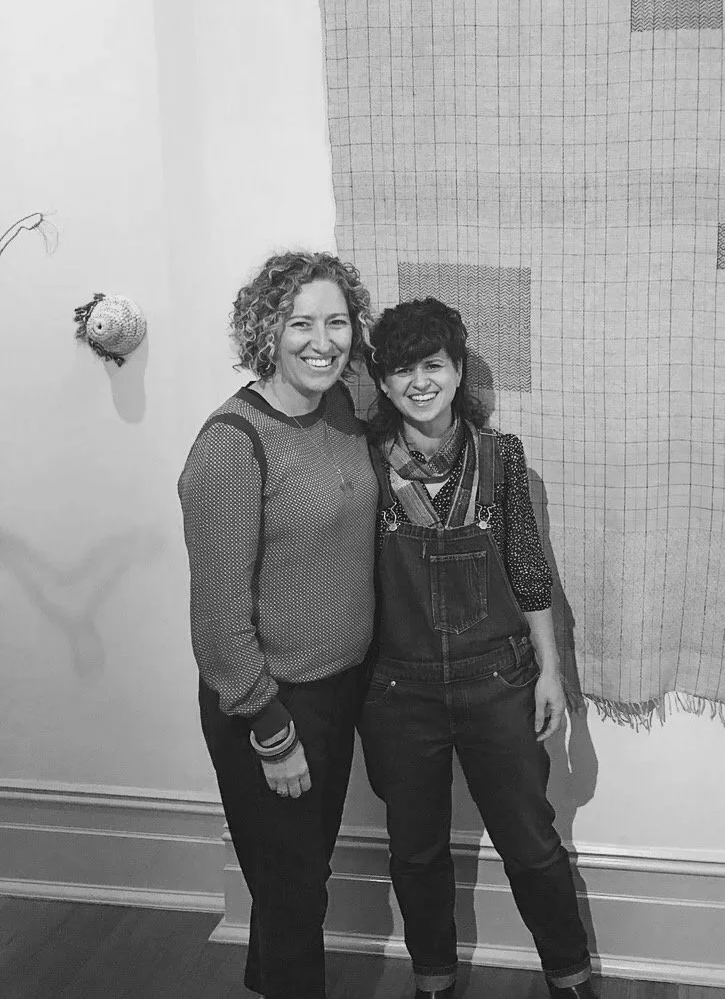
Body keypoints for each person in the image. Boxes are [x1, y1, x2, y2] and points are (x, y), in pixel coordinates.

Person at [359, 297, 596, 999]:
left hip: (500, 680)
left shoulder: (502, 456)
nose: (418, 382)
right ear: (382, 381)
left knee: (530, 840)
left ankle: (570, 974)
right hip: (396, 693)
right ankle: (432, 976)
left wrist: (551, 669)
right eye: (401, 370)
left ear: (458, 371)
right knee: (417, 848)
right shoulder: (363, 464)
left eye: (433, 365)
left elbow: (528, 568)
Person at [178, 250, 379, 999]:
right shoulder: (233, 446)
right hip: (270, 703)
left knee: (296, 877)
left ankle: (269, 982)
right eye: (300, 323)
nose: (321, 341)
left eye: (336, 321)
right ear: (266, 332)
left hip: (336, 691)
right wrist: (272, 732)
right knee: (297, 893)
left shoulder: (336, 413)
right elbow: (218, 622)